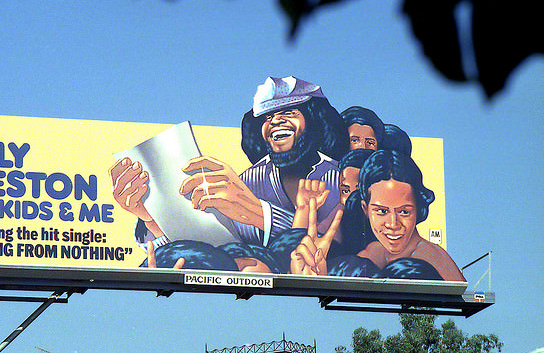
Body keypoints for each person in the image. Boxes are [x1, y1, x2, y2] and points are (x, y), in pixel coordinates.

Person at [109, 76, 348, 271]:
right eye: (267, 116)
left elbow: (346, 252)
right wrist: (151, 215)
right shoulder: (250, 179)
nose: (275, 121)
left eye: (289, 112)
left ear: (315, 119)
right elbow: (221, 253)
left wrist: (260, 214)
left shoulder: (341, 178)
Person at [290, 150, 466, 281]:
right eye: (381, 211)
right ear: (365, 209)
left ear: (418, 209)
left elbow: (460, 295)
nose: (392, 224)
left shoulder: (434, 260)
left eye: (404, 211)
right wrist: (319, 276)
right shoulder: (374, 252)